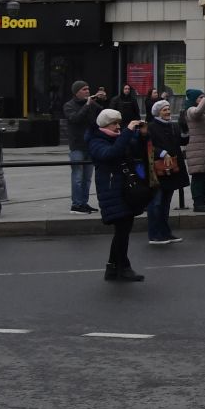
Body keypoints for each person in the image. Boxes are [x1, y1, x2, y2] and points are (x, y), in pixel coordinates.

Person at [87, 108, 147, 281]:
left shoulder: (118, 138)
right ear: (105, 125)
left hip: (123, 189)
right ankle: (123, 267)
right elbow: (111, 154)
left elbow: (135, 151)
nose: (118, 127)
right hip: (112, 190)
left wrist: (141, 135)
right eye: (114, 123)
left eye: (119, 123)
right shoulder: (97, 141)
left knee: (123, 229)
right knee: (122, 229)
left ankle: (112, 268)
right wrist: (128, 132)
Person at [142, 100, 186, 247]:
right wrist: (162, 152)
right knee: (156, 203)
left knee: (166, 204)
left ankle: (165, 232)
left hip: (172, 170)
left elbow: (182, 141)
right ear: (157, 112)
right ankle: (154, 234)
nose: (167, 112)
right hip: (157, 171)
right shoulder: (151, 127)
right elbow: (147, 146)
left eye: (168, 109)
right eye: (164, 110)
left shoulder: (173, 126)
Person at [61, 81, 103, 214]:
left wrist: (102, 100)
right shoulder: (69, 105)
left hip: (90, 145)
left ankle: (84, 203)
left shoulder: (90, 103)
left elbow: (103, 113)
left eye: (88, 88)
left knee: (87, 177)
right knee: (78, 177)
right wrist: (87, 105)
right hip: (77, 146)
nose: (87, 91)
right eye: (84, 89)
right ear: (76, 92)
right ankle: (76, 204)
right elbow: (75, 119)